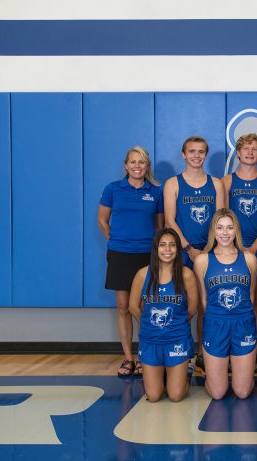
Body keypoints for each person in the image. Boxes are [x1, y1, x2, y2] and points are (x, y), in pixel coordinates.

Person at [98, 146, 164, 377]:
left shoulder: (155, 192)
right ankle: (128, 358)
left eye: (142, 162)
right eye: (133, 162)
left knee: (145, 308)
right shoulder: (113, 189)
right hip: (120, 254)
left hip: (146, 255)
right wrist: (117, 241)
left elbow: (159, 227)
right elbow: (103, 221)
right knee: (124, 307)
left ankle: (146, 356)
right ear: (126, 165)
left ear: (147, 167)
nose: (137, 166)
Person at [164, 135, 225, 371]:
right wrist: (189, 249)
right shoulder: (173, 184)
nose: (196, 156)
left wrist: (209, 249)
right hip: (182, 252)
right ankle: (181, 353)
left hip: (211, 251)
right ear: (183, 154)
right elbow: (170, 220)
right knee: (181, 303)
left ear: (205, 155)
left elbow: (221, 219)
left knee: (204, 304)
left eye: (201, 152)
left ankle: (202, 352)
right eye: (192, 151)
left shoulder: (216, 184)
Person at [193, 209, 257, 399]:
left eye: (229, 228)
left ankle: (241, 373)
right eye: (220, 227)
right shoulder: (202, 260)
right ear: (213, 230)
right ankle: (212, 375)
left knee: (242, 392)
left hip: (243, 324)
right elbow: (204, 300)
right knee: (218, 393)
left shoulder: (249, 259)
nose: (224, 233)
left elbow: (251, 295)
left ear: (236, 230)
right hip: (215, 325)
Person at [222, 133, 257, 373]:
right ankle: (233, 348)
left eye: (254, 149)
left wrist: (253, 248)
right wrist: (236, 245)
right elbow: (223, 218)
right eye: (245, 149)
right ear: (238, 153)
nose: (250, 153)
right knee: (235, 301)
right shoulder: (227, 182)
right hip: (233, 247)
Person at [128, 228, 198, 402]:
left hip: (176, 340)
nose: (168, 250)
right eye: (163, 245)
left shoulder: (186, 275)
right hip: (151, 340)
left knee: (175, 396)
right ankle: (168, 373)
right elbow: (133, 307)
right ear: (155, 248)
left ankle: (184, 371)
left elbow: (193, 309)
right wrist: (148, 324)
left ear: (178, 249)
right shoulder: (142, 275)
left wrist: (176, 323)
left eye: (172, 245)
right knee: (153, 395)